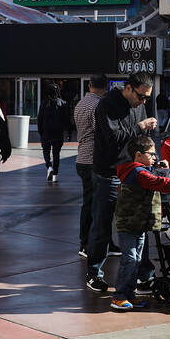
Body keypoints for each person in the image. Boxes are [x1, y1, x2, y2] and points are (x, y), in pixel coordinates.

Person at [86, 73, 158, 293]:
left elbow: (139, 140)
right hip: (108, 173)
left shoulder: (139, 105)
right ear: (128, 88)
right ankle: (94, 273)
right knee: (102, 224)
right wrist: (140, 125)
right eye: (141, 96)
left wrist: (152, 156)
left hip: (133, 172)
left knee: (139, 224)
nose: (143, 101)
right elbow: (113, 136)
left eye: (147, 98)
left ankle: (143, 274)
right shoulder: (107, 104)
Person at [111, 136, 170, 310]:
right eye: (151, 154)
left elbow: (160, 174)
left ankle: (129, 294)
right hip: (129, 225)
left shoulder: (140, 170)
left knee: (136, 260)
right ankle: (119, 296)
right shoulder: (139, 174)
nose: (155, 157)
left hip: (137, 224)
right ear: (138, 155)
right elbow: (163, 182)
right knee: (130, 260)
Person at [73, 75, 108, 258]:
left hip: (82, 157)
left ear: (89, 85)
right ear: (106, 87)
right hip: (92, 159)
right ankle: (86, 243)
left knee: (91, 202)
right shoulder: (98, 105)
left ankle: (89, 242)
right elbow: (101, 131)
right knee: (95, 204)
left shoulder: (81, 103)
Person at [37, 81, 66, 183]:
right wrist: (68, 132)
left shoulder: (44, 103)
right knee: (56, 154)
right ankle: (55, 176)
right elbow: (66, 120)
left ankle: (49, 167)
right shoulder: (62, 103)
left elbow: (39, 119)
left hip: (46, 133)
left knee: (46, 152)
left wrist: (40, 132)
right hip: (58, 133)